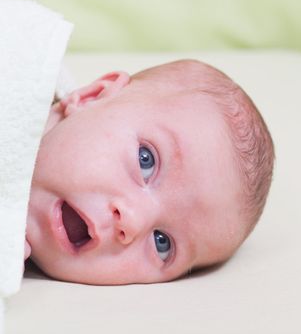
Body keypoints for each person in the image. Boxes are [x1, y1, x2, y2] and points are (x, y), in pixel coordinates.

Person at [24, 59, 274, 285]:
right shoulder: (9, 73)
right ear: (93, 96)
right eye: (146, 161)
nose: (133, 221)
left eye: (162, 243)